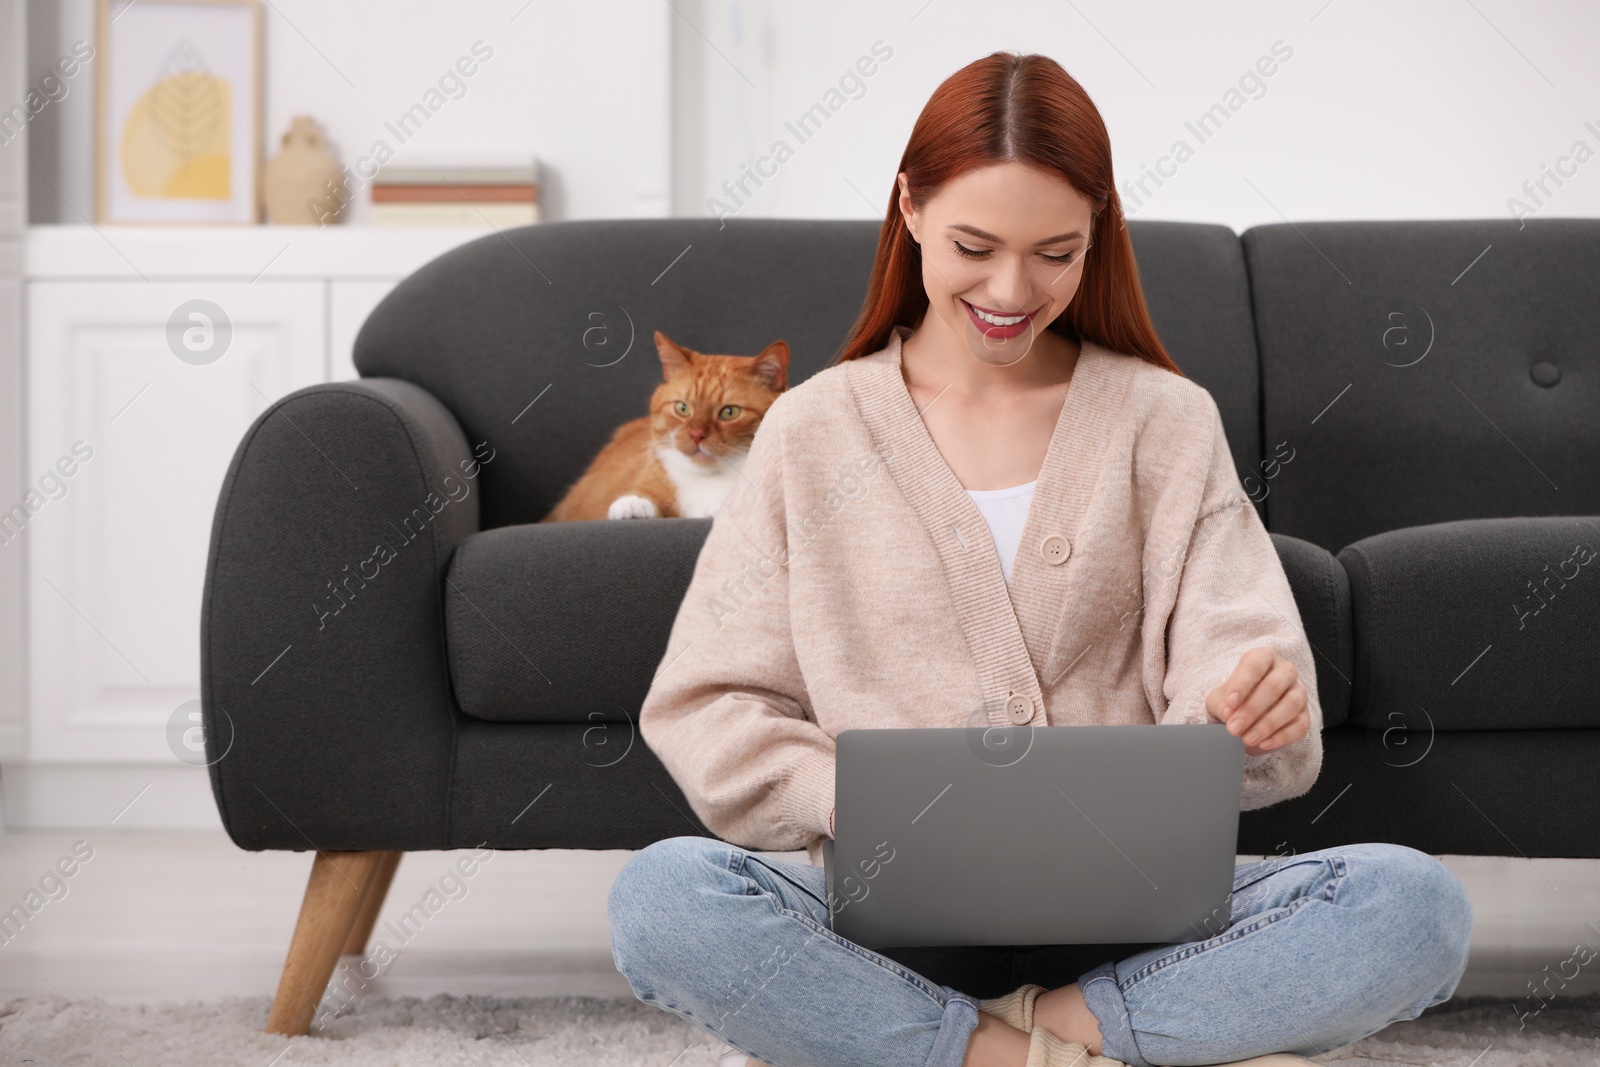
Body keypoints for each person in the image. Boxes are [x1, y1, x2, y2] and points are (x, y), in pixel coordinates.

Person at [608, 51, 1472, 1067]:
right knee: (662, 899)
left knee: (1413, 906)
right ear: (911, 209)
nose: (1011, 291)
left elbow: (1245, 676)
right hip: (881, 911)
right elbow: (705, 704)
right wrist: (859, 796)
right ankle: (1060, 1045)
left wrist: (1247, 709)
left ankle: (1001, 1035)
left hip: (1137, 916)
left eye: (1055, 253)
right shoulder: (812, 429)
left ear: (1097, 235)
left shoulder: (1165, 419)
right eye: (974, 244)